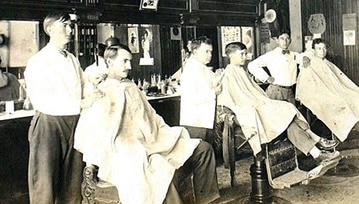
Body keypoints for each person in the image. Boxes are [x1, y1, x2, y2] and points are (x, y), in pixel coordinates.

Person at [74, 44, 220, 204]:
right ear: (109, 61)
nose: (129, 66)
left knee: (204, 149)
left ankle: (207, 200)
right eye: (124, 61)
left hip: (155, 140)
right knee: (160, 168)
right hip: (128, 151)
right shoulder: (100, 91)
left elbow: (152, 117)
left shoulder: (130, 87)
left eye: (130, 61)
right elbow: (89, 133)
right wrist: (92, 163)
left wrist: (165, 135)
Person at [25, 11, 102, 203]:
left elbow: (82, 84)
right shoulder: (38, 61)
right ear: (50, 29)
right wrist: (81, 103)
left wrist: (93, 89)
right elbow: (41, 99)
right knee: (45, 183)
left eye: (70, 26)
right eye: (64, 26)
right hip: (49, 125)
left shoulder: (71, 59)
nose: (70, 30)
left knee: (72, 182)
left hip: (74, 123)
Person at [217, 42, 340, 162]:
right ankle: (317, 143)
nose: (245, 57)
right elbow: (231, 99)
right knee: (287, 112)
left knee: (289, 114)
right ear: (231, 55)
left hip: (261, 104)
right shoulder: (228, 73)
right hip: (253, 110)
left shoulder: (240, 71)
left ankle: (316, 153)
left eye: (245, 54)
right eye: (242, 54)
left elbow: (252, 91)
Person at [296, 38, 359, 142]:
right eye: (319, 49)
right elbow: (305, 87)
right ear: (314, 50)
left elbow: (340, 81)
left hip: (335, 91)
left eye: (324, 48)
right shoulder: (309, 64)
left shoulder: (327, 63)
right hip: (321, 95)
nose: (322, 51)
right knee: (340, 102)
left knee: (355, 97)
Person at [179, 36, 222, 143]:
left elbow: (209, 83)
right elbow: (193, 97)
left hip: (205, 120)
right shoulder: (190, 70)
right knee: (199, 154)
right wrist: (214, 92)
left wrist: (218, 76)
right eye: (206, 52)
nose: (210, 55)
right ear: (195, 51)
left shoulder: (202, 67)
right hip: (195, 122)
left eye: (211, 51)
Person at [247, 31, 304, 105]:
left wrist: (305, 57)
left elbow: (306, 57)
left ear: (290, 40)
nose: (285, 41)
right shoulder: (272, 55)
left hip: (290, 91)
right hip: (276, 91)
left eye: (287, 38)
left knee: (291, 114)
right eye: (282, 38)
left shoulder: (293, 55)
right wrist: (266, 78)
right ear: (277, 40)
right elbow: (252, 65)